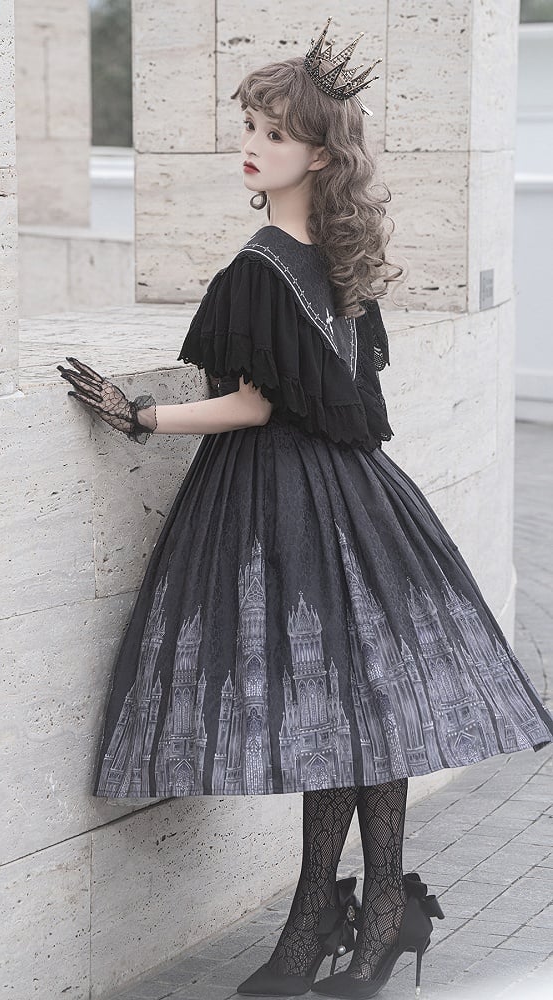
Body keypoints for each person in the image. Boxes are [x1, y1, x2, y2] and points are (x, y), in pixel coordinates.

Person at [57, 17, 553, 1000]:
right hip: (354, 498)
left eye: (274, 131)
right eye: (250, 124)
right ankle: (340, 912)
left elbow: (253, 404)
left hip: (289, 499)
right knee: (356, 708)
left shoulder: (265, 264)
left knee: (346, 709)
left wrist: (142, 414)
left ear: (319, 153)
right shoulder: (333, 253)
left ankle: (353, 915)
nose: (252, 143)